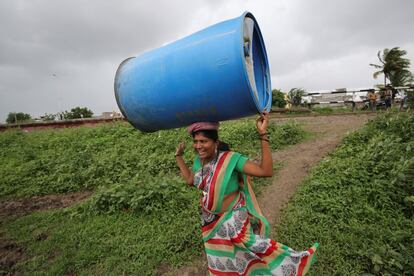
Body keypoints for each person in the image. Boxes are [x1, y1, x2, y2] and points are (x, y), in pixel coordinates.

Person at [175, 112, 318, 275]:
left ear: (216, 142)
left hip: (233, 219)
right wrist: (178, 157)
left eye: (203, 141)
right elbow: (190, 180)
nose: (198, 146)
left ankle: (292, 264)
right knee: (222, 261)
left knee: (254, 251)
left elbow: (266, 171)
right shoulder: (198, 162)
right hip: (210, 224)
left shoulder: (231, 159)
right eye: (195, 141)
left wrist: (263, 134)